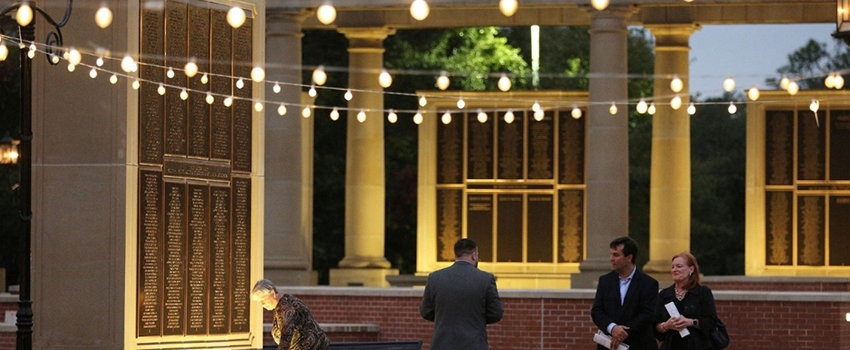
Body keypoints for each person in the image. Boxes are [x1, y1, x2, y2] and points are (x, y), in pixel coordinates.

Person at [420, 238, 504, 350]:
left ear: (456, 254)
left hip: (442, 345)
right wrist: (477, 318)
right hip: (474, 345)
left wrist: (446, 317)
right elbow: (496, 313)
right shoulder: (486, 279)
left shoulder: (435, 278)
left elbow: (425, 312)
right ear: (474, 255)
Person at [591, 236, 659, 350]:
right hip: (610, 345)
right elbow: (597, 311)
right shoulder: (605, 281)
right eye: (611, 254)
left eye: (616, 255)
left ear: (629, 257)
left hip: (638, 344)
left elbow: (647, 314)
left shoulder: (649, 283)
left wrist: (622, 332)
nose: (611, 258)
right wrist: (612, 328)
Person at [653, 252, 719, 350]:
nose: (675, 270)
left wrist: (690, 322)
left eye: (679, 266)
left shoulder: (703, 292)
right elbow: (654, 325)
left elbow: (711, 322)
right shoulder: (664, 295)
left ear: (691, 269)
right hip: (671, 345)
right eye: (673, 267)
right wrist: (666, 325)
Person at [251, 279, 330, 350]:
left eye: (263, 299)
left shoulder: (286, 307)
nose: (262, 304)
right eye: (259, 301)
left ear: (272, 293)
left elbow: (286, 337)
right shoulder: (282, 303)